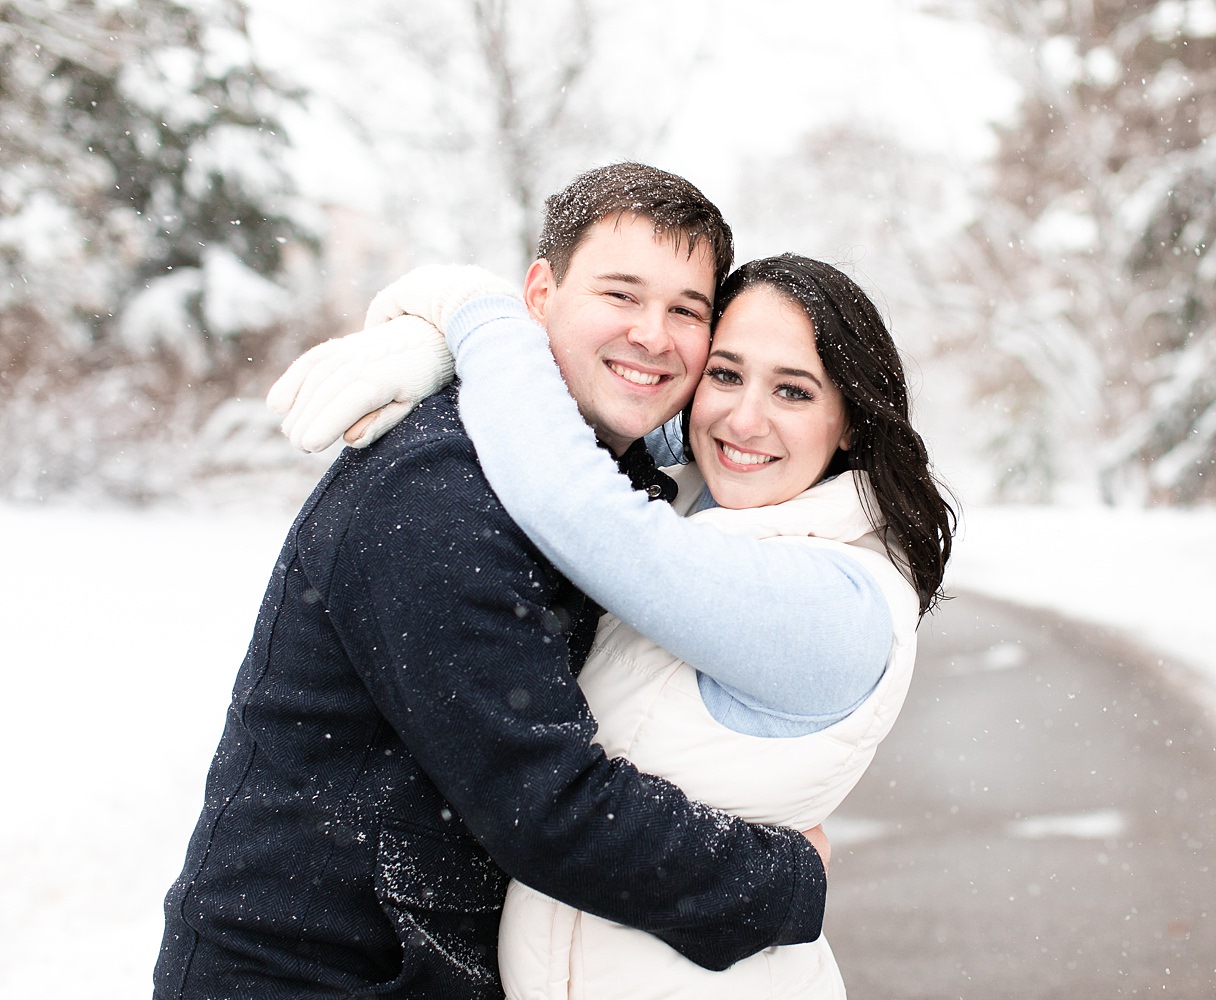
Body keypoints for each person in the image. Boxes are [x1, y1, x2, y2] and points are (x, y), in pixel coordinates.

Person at [153, 164, 833, 1000]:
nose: (654, 336)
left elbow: (741, 440)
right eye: (620, 295)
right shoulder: (440, 487)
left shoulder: (602, 480)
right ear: (539, 294)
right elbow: (544, 807)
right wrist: (785, 878)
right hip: (302, 973)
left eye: (685, 311)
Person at [273, 253, 956, 997]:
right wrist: (439, 353)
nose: (744, 418)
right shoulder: (726, 502)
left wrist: (476, 311)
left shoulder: (832, 605)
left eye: (793, 390)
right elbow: (604, 402)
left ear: (851, 419)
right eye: (724, 375)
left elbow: (575, 503)